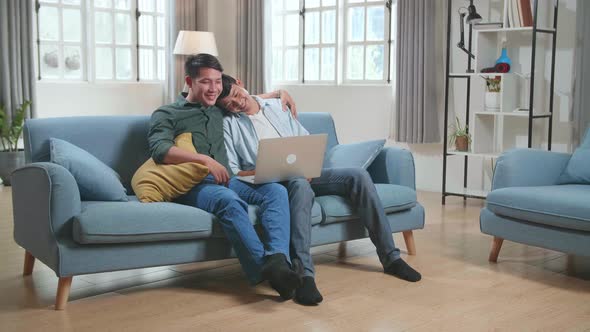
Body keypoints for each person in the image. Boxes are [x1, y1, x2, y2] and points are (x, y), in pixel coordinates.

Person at [219, 74, 422, 305]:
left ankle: (391, 258)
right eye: (230, 104)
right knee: (298, 185)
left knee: (358, 176)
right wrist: (268, 167)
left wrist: (309, 166)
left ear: (240, 83)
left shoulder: (277, 105)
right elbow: (234, 170)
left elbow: (305, 139)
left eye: (236, 95)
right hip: (273, 181)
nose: (237, 103)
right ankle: (305, 275)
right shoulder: (229, 123)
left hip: (305, 172)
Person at [147, 54, 301, 299]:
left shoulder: (219, 106)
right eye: (206, 82)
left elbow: (245, 99)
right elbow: (159, 150)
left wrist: (279, 93)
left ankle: (278, 260)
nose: (214, 88)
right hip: (196, 184)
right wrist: (205, 161)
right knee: (227, 201)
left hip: (231, 180)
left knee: (276, 190)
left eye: (218, 82)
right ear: (189, 81)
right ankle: (264, 270)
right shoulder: (168, 113)